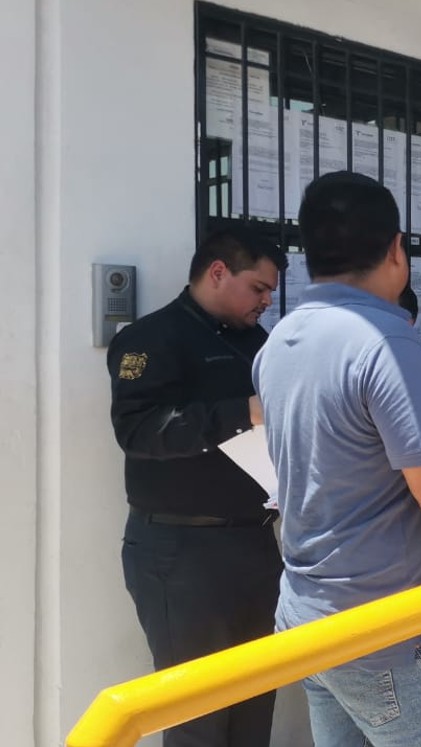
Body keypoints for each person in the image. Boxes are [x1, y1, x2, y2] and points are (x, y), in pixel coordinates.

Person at [253, 171, 421, 747]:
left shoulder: (281, 340)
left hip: (311, 617)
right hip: (388, 630)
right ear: (396, 251)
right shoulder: (386, 342)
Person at [107, 226, 287, 747]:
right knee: (197, 715)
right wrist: (242, 412)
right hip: (181, 552)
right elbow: (139, 431)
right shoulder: (152, 339)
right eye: (258, 288)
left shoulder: (257, 342)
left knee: (256, 697)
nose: (266, 301)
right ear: (218, 272)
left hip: (254, 541)